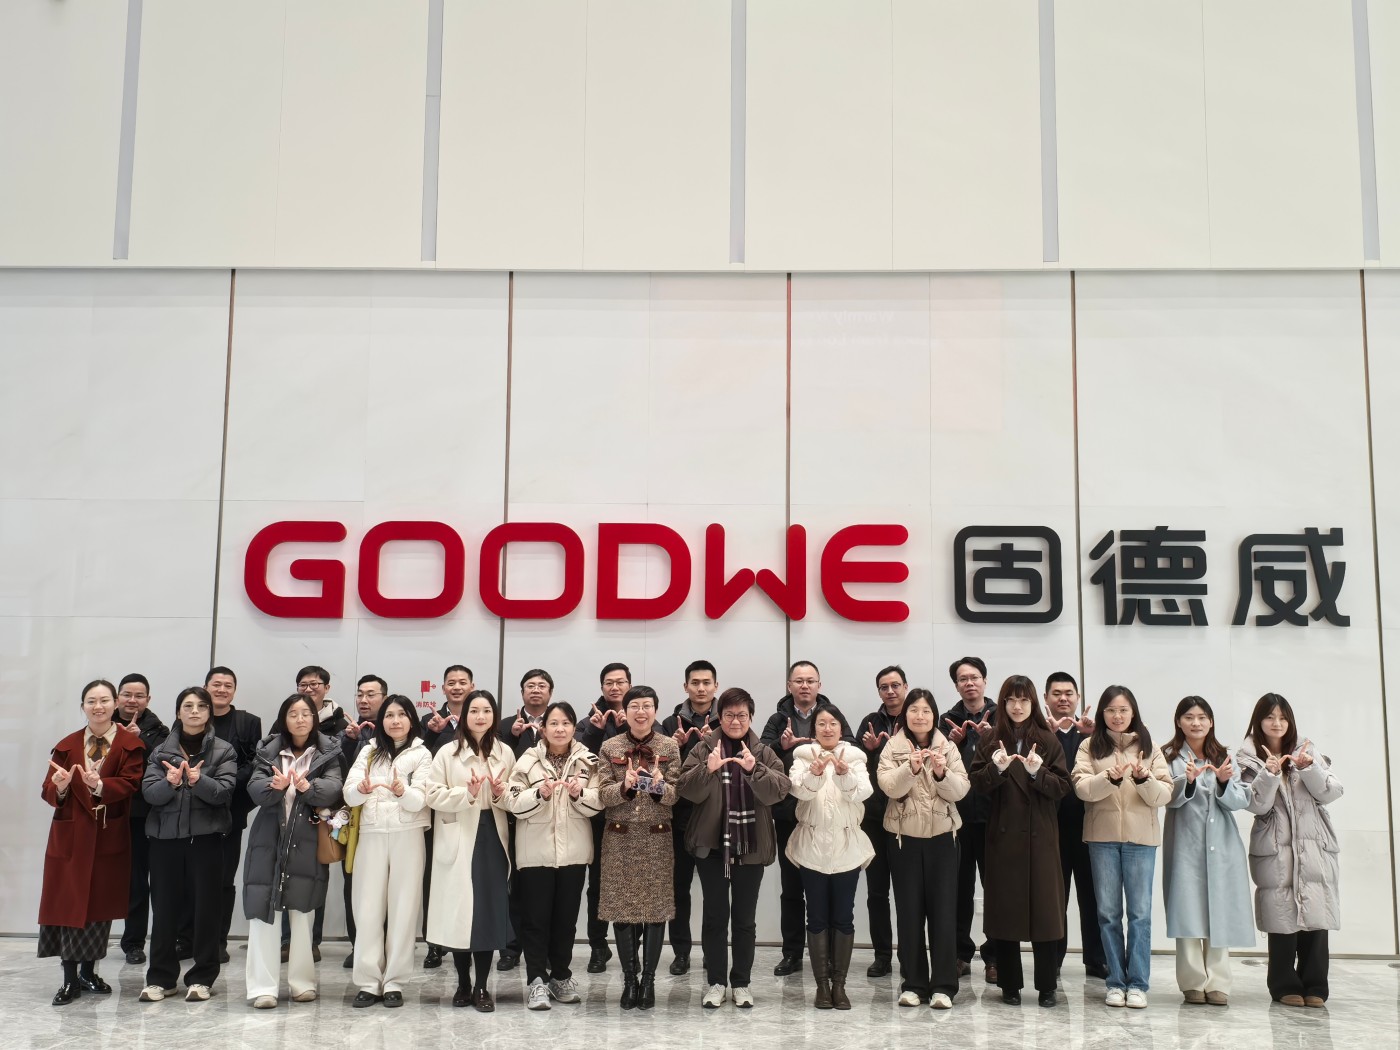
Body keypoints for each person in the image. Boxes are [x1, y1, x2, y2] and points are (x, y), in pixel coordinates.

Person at [677, 686, 789, 1009]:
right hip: (712, 847)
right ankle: (716, 982)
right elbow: (685, 790)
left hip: (749, 847)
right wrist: (707, 770)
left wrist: (754, 769)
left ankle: (741, 982)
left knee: (744, 919)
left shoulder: (763, 752)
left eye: (741, 715)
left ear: (750, 717)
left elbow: (780, 791)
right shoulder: (703, 748)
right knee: (714, 917)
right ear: (719, 717)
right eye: (729, 715)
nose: (735, 721)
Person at [39, 679, 146, 1006]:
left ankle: (88, 972)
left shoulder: (130, 745)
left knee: (99, 908)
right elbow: (48, 790)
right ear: (83, 706)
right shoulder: (67, 745)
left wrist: (100, 785)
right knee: (68, 905)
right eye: (91, 701)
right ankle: (69, 980)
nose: (98, 707)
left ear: (115, 704)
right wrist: (60, 787)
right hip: (70, 836)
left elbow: (132, 783)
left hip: (106, 834)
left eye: (104, 700)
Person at [1236, 693, 1343, 1008]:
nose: (1277, 723)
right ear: (1259, 721)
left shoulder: (1306, 751)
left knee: (1316, 914)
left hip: (1313, 842)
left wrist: (1309, 768)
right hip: (1275, 844)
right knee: (1282, 914)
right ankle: (1284, 984)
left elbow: (1332, 792)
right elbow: (1256, 804)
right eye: (1270, 717)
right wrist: (1269, 774)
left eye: (1282, 717)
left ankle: (1316, 985)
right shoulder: (1248, 758)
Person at [969, 675, 1069, 1008]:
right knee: (1006, 912)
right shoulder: (990, 739)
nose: (1017, 706)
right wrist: (996, 770)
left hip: (1041, 836)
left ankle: (1047, 986)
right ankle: (1009, 984)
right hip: (1003, 835)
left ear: (1033, 703)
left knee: (1045, 912)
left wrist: (1037, 773)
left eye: (1024, 700)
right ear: (1003, 703)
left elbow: (1062, 787)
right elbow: (975, 784)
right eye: (1011, 700)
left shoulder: (1048, 739)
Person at [1072, 685, 1172, 1009]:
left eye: (1123, 710)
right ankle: (1115, 982)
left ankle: (1138, 984)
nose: (1117, 716)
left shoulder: (1149, 745)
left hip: (1141, 840)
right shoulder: (1089, 745)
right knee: (1108, 914)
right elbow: (1082, 788)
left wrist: (1143, 779)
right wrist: (1109, 779)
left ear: (1133, 712)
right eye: (1111, 710)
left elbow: (1164, 794)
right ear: (1103, 714)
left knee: (1140, 915)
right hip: (1101, 839)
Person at [243, 693, 344, 1009]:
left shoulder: (328, 752)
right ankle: (263, 988)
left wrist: (308, 788)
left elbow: (334, 788)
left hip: (307, 839)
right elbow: (254, 789)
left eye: (306, 713)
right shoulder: (268, 751)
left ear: (314, 719)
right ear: (283, 719)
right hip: (268, 838)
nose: (300, 719)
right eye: (293, 714)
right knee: (263, 912)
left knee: (303, 913)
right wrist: (273, 788)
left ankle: (302, 983)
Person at [139, 686, 237, 1003]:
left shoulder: (224, 750)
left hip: (205, 842)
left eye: (201, 706)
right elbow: (149, 794)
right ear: (178, 712)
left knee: (207, 910)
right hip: (165, 841)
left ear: (209, 713)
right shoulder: (160, 751)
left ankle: (202, 977)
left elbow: (224, 793)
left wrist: (198, 780)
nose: (194, 711)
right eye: (188, 706)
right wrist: (169, 783)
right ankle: (160, 978)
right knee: (164, 910)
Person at [506, 701, 603, 1010]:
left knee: (566, 921)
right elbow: (511, 800)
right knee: (535, 921)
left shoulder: (588, 761)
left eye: (566, 723)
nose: (560, 729)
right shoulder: (527, 760)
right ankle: (537, 980)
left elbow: (599, 800)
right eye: (554, 723)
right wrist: (539, 793)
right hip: (535, 852)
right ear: (543, 728)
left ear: (574, 728)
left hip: (574, 852)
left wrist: (578, 794)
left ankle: (560, 976)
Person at [759, 660, 853, 976]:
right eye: (798, 681)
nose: (804, 686)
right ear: (789, 686)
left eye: (810, 680)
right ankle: (792, 953)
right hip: (790, 814)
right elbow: (761, 757)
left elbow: (850, 749)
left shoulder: (832, 715)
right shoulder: (777, 719)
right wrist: (782, 746)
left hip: (828, 814)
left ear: (819, 685)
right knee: (792, 888)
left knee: (828, 887)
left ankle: (829, 955)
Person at [424, 689, 516, 1012]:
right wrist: (468, 794)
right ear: (464, 716)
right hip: (459, 833)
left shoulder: (505, 752)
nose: (480, 716)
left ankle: (481, 986)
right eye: (474, 710)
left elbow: (514, 795)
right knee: (459, 913)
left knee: (487, 912)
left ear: (494, 716)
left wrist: (501, 793)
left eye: (486, 711)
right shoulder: (447, 753)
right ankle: (463, 983)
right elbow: (432, 794)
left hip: (492, 835)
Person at [877, 687, 968, 1009]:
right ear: (905, 715)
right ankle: (913, 984)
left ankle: (944, 986)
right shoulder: (893, 747)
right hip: (904, 839)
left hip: (943, 839)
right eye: (914, 710)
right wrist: (911, 769)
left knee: (944, 913)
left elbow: (960, 790)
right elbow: (888, 786)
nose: (920, 716)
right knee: (909, 912)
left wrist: (941, 772)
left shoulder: (948, 747)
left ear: (934, 715)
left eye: (926, 710)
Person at [1162, 696, 1254, 1006]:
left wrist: (1225, 783)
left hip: (1222, 845)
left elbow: (1240, 801)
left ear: (1211, 722)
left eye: (1202, 717)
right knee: (1187, 913)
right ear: (1179, 722)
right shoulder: (1168, 756)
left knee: (1219, 912)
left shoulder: (1224, 757)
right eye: (1189, 717)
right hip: (1185, 845)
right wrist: (1186, 782)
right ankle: (1192, 982)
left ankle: (1218, 983)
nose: (1196, 722)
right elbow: (1164, 796)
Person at [343, 695, 433, 1008]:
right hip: (371, 834)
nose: (395, 721)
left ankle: (394, 981)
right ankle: (369, 982)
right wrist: (361, 790)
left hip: (408, 835)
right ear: (381, 721)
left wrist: (402, 791)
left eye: (402, 714)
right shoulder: (368, 751)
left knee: (404, 909)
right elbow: (349, 794)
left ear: (412, 719)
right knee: (367, 909)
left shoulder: (422, 754)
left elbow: (420, 801)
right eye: (389, 715)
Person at [595, 685, 681, 1011]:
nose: (641, 712)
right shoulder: (610, 747)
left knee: (655, 911)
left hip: (657, 837)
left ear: (655, 711)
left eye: (647, 706)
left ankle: (649, 981)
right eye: (635, 706)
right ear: (625, 712)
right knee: (622, 910)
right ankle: (629, 980)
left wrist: (659, 786)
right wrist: (624, 786)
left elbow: (675, 795)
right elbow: (603, 795)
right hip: (619, 838)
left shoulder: (669, 746)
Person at [785, 703, 873, 1010]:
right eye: (821, 723)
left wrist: (844, 774)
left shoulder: (855, 757)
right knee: (817, 916)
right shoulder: (802, 757)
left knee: (843, 916)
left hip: (847, 848)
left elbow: (863, 792)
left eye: (833, 723)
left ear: (841, 727)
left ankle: (840, 985)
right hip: (811, 848)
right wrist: (816, 773)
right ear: (813, 730)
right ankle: (822, 986)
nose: (827, 728)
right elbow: (799, 792)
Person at [1043, 671, 1106, 979]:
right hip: (1051, 828)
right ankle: (1053, 960)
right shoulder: (1039, 733)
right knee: (1055, 898)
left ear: (1078, 698)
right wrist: (1047, 737)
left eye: (1069, 693)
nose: (1063, 699)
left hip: (1089, 826)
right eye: (1056, 693)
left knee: (1093, 896)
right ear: (1046, 698)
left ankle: (1096, 959)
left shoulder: (1093, 734)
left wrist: (1093, 735)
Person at [660, 659, 721, 976]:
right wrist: (678, 748)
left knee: (714, 892)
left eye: (706, 682)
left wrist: (712, 742)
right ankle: (681, 952)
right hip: (678, 819)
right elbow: (660, 771)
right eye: (695, 682)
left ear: (716, 686)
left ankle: (713, 952)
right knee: (678, 890)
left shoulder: (727, 721)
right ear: (685, 686)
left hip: (713, 818)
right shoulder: (670, 723)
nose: (701, 688)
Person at [496, 668, 555, 972]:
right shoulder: (505, 725)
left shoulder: (557, 724)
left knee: (543, 891)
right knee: (514, 888)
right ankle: (510, 948)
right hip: (513, 816)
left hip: (550, 818)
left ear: (550, 693)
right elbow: (499, 763)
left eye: (542, 686)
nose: (535, 690)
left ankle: (545, 950)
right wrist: (512, 736)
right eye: (530, 685)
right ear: (521, 692)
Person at [577, 661, 635, 973]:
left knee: (633, 881)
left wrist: (628, 729)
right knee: (598, 885)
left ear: (629, 685)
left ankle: (632, 947)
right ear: (601, 687)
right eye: (609, 682)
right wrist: (596, 730)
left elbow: (652, 757)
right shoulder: (588, 721)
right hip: (600, 815)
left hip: (634, 814)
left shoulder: (642, 716)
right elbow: (579, 760)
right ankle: (598, 946)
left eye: (620, 682)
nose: (615, 687)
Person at [944, 656, 997, 979]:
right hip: (958, 817)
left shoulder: (1002, 717)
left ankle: (995, 957)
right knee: (959, 890)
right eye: (963, 679)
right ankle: (960, 954)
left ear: (985, 681)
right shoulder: (947, 721)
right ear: (956, 686)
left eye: (974, 677)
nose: (969, 683)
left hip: (994, 817)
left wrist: (993, 739)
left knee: (997, 889)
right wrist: (953, 746)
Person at [206, 666, 262, 964]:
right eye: (216, 684)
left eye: (228, 685)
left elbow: (256, 764)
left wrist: (223, 784)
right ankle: (188, 939)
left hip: (230, 811)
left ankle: (218, 941)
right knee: (192, 880)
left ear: (234, 690)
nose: (222, 690)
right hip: (194, 811)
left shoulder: (248, 722)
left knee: (223, 880)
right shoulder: (192, 716)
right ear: (206, 687)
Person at [422, 663, 474, 969]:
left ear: (471, 686)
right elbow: (419, 760)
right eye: (451, 683)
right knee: (435, 878)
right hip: (436, 811)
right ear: (442, 688)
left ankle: (469, 939)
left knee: (467, 881)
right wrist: (432, 735)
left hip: (472, 811)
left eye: (462, 682)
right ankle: (434, 944)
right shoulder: (429, 721)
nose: (456, 687)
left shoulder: (479, 717)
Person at [857, 664, 907, 978]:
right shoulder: (870, 723)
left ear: (905, 687)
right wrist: (871, 751)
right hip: (875, 819)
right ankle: (882, 956)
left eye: (895, 685)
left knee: (908, 892)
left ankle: (910, 955)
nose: (890, 691)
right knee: (877, 892)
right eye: (884, 687)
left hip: (908, 818)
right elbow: (857, 767)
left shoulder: (918, 719)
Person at [115, 673, 169, 966]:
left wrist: (138, 742)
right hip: (109, 813)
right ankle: (87, 943)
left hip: (144, 815)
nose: (132, 700)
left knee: (142, 881)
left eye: (139, 696)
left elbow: (165, 765)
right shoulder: (102, 725)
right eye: (127, 694)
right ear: (117, 698)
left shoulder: (160, 731)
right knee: (108, 880)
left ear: (148, 699)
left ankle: (135, 942)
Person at [336, 673, 389, 968]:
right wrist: (348, 741)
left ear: (384, 698)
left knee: (387, 886)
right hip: (354, 820)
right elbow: (338, 773)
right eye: (360, 694)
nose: (364, 700)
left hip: (388, 820)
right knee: (353, 882)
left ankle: (386, 946)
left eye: (371, 694)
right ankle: (358, 946)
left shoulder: (395, 730)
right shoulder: (348, 732)